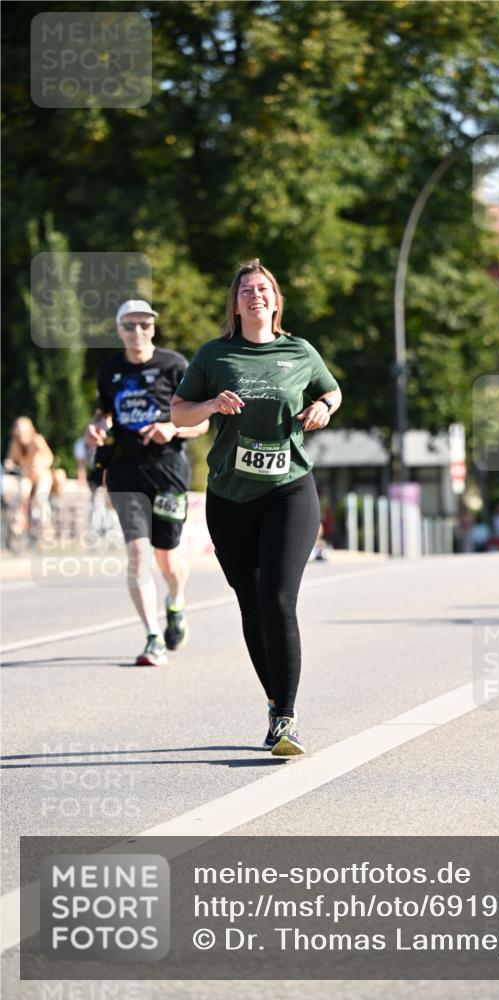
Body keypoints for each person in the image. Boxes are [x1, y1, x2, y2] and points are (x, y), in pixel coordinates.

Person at [171, 260, 341, 756]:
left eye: (263, 288)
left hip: (290, 488)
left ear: (275, 300)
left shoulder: (299, 351)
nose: (255, 295)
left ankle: (286, 718)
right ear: (236, 303)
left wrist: (323, 408)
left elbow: (331, 390)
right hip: (230, 497)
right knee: (251, 601)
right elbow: (179, 412)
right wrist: (210, 406)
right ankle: (272, 702)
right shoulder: (215, 354)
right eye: (246, 290)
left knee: (279, 597)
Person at [84, 300, 209, 666]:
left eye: (143, 324)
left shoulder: (175, 366)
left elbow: (202, 419)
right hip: (125, 471)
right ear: (119, 330)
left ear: (153, 328)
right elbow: (103, 412)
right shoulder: (109, 370)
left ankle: (176, 601)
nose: (137, 331)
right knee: (138, 554)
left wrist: (173, 428)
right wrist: (96, 428)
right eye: (129, 325)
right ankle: (153, 637)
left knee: (167, 559)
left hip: (168, 470)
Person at [3, 416, 54, 532]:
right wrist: (9, 464)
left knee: (40, 498)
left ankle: (46, 527)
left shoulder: (37, 440)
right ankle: (20, 522)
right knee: (21, 494)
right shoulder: (15, 443)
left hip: (41, 475)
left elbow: (49, 457)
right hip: (27, 476)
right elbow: (10, 459)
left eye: (23, 432)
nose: (20, 435)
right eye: (18, 432)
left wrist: (40, 464)